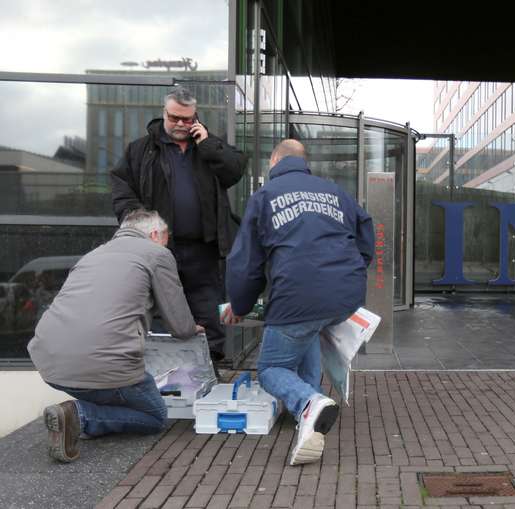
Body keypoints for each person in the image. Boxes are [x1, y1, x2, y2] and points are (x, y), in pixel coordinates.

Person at [222, 139, 374, 465]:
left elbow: (246, 262)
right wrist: (350, 274)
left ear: (274, 161)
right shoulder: (336, 193)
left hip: (298, 295)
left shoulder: (264, 197)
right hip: (345, 295)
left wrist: (240, 304)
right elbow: (365, 235)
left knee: (272, 368)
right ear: (305, 162)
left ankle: (308, 402)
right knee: (307, 332)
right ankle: (309, 416)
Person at [27, 209, 203, 463]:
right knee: (154, 416)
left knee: (117, 393)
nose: (168, 244)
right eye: (166, 237)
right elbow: (180, 326)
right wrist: (191, 327)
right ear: (155, 234)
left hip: (49, 364)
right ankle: (80, 415)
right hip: (107, 365)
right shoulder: (158, 254)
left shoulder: (92, 255)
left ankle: (78, 416)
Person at [110, 86, 246, 360]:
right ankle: (164, 380)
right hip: (159, 250)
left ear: (195, 116)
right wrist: (141, 224)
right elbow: (121, 189)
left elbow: (235, 170)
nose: (181, 124)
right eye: (175, 118)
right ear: (164, 114)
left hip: (204, 250)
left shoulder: (207, 145)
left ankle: (208, 377)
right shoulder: (141, 150)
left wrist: (208, 144)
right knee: (162, 312)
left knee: (209, 315)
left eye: (187, 119)